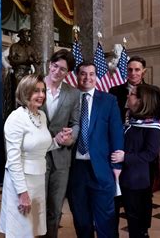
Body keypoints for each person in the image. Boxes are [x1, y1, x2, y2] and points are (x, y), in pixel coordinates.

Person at [0, 74, 63, 237]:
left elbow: (40, 146)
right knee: (20, 231)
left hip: (38, 179)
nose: (41, 95)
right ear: (25, 92)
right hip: (21, 182)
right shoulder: (16, 118)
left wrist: (58, 140)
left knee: (32, 229)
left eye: (43, 91)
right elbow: (13, 160)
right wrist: (22, 193)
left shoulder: (40, 115)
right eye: (36, 91)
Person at [67, 61, 124, 237]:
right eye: (83, 73)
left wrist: (117, 166)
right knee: (81, 220)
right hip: (75, 170)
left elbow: (116, 133)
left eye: (91, 74)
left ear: (97, 77)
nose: (87, 78)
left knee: (105, 220)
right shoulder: (68, 99)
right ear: (77, 76)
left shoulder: (109, 100)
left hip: (102, 168)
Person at [111, 84, 160, 238]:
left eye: (132, 94)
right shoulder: (127, 118)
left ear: (141, 101)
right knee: (113, 217)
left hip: (136, 180)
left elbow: (150, 154)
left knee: (136, 222)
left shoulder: (151, 125)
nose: (128, 96)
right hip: (117, 177)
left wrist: (125, 157)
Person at [42, 49, 80, 238]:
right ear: (50, 64)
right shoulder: (34, 85)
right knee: (36, 207)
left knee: (55, 209)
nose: (57, 71)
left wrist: (72, 137)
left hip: (61, 159)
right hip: (37, 158)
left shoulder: (73, 94)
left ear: (67, 73)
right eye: (55, 66)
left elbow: (75, 123)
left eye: (63, 69)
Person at [109, 56, 148, 123]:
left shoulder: (152, 92)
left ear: (143, 71)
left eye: (137, 70)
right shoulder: (114, 91)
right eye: (130, 69)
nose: (133, 73)